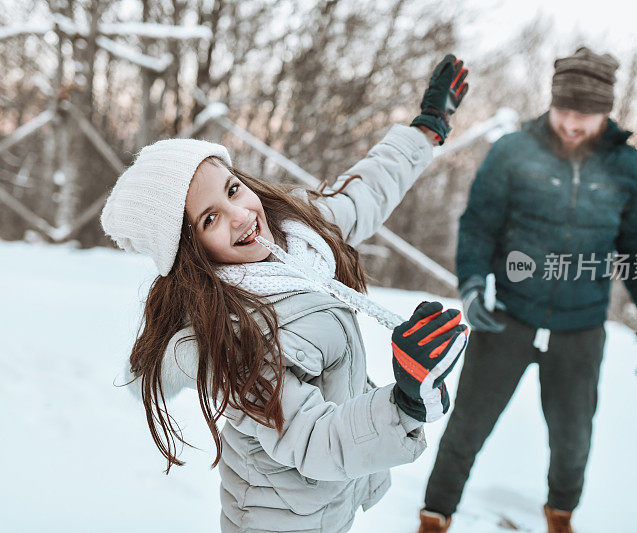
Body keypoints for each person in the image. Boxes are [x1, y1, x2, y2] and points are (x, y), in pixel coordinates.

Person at [102, 55, 471, 533]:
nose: (239, 215)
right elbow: (314, 439)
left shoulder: (298, 237)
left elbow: (366, 193)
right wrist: (404, 404)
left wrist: (426, 129)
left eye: (233, 190)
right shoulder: (234, 338)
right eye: (209, 218)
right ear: (189, 252)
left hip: (327, 501)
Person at [417, 47, 637, 533]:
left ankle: (561, 517)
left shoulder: (629, 168)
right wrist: (472, 288)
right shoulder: (513, 150)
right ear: (551, 103)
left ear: (606, 112)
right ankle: (434, 515)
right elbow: (477, 227)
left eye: (587, 115)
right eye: (565, 111)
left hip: (581, 329)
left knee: (573, 441)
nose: (573, 124)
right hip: (508, 317)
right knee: (467, 427)